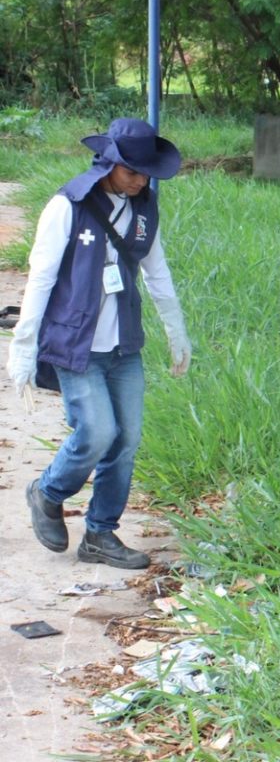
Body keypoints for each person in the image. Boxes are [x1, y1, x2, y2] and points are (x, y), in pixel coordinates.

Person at [6, 118, 192, 569]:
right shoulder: (66, 206)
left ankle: (100, 535)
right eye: (132, 171)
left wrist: (176, 331)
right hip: (76, 344)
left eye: (147, 172)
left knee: (125, 441)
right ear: (109, 162)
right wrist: (23, 348)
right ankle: (46, 491)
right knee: (97, 432)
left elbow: (157, 272)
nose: (141, 179)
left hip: (124, 346)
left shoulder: (144, 208)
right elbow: (41, 278)